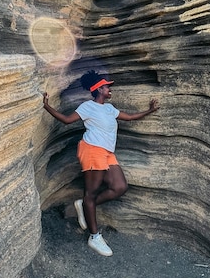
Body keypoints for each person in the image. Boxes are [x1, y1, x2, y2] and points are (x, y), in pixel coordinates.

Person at [43, 70, 159, 257]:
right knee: (92, 193)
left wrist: (150, 111)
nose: (110, 89)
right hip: (92, 150)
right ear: (98, 89)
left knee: (120, 187)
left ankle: (84, 204)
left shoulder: (109, 108)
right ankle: (94, 236)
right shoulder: (88, 107)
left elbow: (128, 117)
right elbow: (66, 120)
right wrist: (46, 105)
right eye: (107, 87)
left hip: (107, 153)